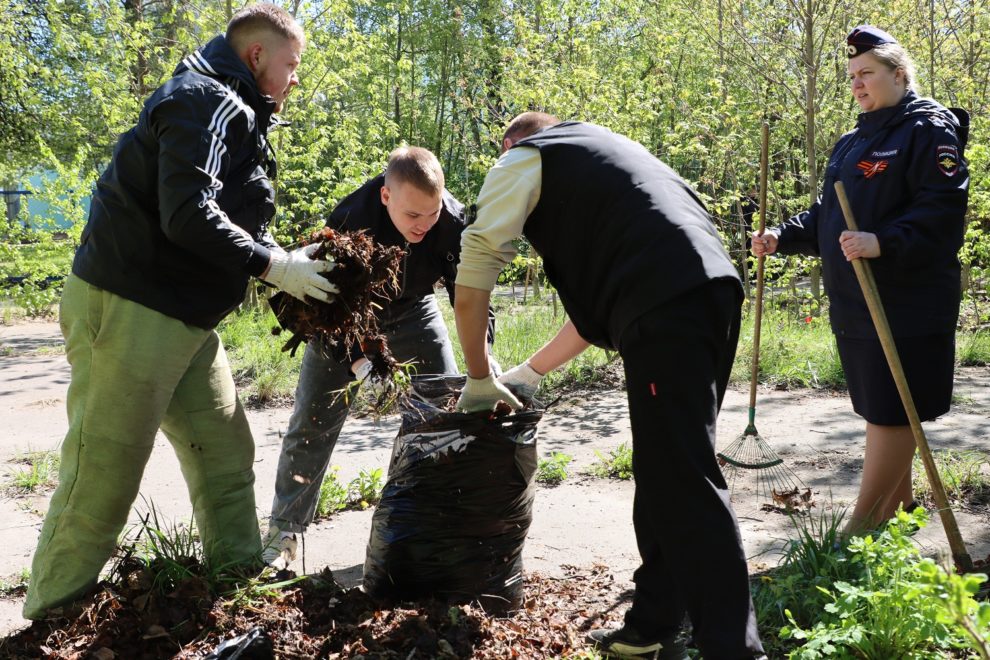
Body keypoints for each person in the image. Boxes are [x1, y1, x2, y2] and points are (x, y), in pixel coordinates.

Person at [22, 4, 337, 620]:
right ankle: (50, 615)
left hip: (185, 320)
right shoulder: (205, 99)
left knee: (222, 449)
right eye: (291, 64)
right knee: (103, 472)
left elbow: (221, 211)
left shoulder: (230, 106)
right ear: (256, 56)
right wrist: (272, 265)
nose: (295, 78)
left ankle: (238, 575)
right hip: (132, 307)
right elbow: (188, 213)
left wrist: (279, 255)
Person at [453, 112, 765, 659]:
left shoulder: (526, 157)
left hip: (665, 302)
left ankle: (735, 650)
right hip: (710, 290)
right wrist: (524, 374)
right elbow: (593, 318)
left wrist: (478, 375)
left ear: (513, 143)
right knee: (667, 464)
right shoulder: (606, 160)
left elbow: (475, 270)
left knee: (684, 476)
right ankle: (653, 624)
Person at [752, 26, 969, 535]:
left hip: (906, 299)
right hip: (854, 300)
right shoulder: (854, 140)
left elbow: (942, 211)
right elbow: (831, 213)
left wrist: (884, 241)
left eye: (866, 73)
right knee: (878, 405)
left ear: (899, 74)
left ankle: (864, 528)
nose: (857, 83)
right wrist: (783, 236)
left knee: (894, 410)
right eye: (851, 76)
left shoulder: (928, 130)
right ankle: (901, 513)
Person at [263, 146, 496, 567]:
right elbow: (325, 311)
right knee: (312, 422)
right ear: (387, 197)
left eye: (433, 213)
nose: (424, 225)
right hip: (344, 318)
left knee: (441, 413)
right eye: (413, 217)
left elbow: (472, 295)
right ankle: (284, 532)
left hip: (414, 312)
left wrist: (485, 357)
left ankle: (431, 521)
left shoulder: (454, 222)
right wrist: (361, 362)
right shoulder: (350, 220)